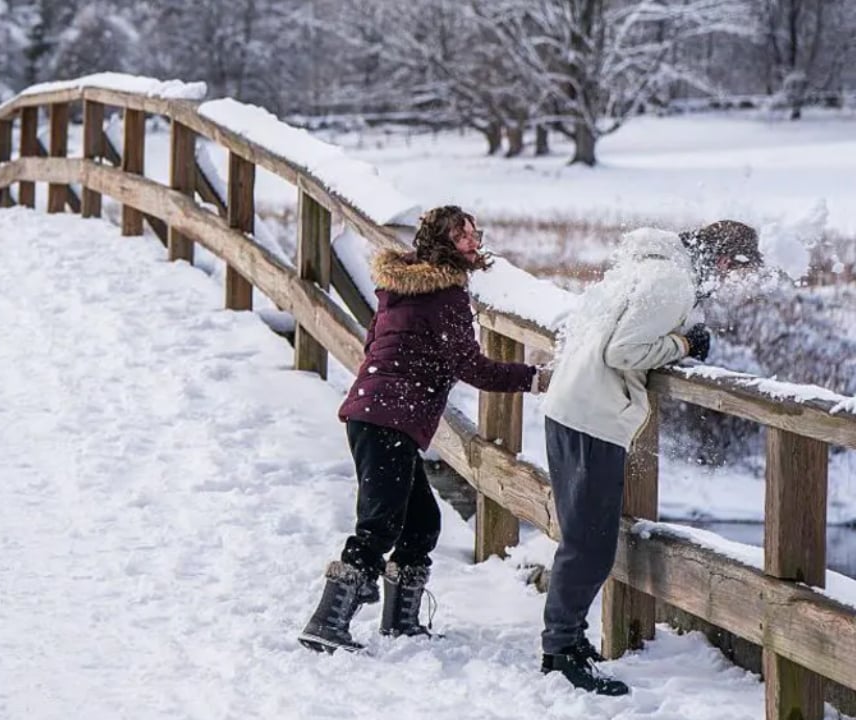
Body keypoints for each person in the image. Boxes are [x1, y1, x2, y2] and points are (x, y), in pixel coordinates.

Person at [298, 205, 550, 654]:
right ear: (442, 246)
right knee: (378, 526)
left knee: (421, 524)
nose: (474, 243)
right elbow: (471, 366)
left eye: (475, 233)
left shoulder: (397, 288)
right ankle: (326, 622)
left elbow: (373, 346)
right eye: (463, 237)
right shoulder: (446, 297)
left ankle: (400, 623)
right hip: (389, 419)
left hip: (372, 414)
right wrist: (532, 378)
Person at [538, 220, 762, 695]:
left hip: (570, 404)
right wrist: (683, 345)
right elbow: (624, 351)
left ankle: (568, 642)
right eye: (735, 271)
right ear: (725, 260)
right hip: (592, 415)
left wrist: (682, 333)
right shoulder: (671, 281)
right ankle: (560, 651)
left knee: (586, 537)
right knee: (589, 543)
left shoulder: (646, 266)